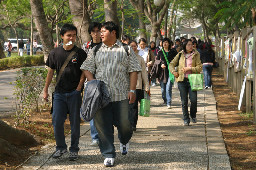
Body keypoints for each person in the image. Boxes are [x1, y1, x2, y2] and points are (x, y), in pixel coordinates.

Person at [80, 21, 141, 167]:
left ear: (113, 32)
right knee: (102, 126)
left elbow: (133, 70)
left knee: (126, 125)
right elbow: (86, 67)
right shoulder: (95, 50)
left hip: (121, 95)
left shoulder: (125, 49)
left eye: (103, 31)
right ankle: (108, 154)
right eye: (99, 31)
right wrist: (94, 83)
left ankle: (124, 140)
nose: (100, 33)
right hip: (101, 98)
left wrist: (132, 90)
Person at [43, 24, 87, 161]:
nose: (71, 38)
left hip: (74, 93)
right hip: (59, 94)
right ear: (62, 36)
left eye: (74, 35)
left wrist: (79, 87)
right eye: (69, 35)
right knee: (57, 121)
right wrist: (45, 90)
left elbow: (84, 72)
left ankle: (74, 149)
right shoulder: (54, 53)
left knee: (74, 123)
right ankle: (60, 148)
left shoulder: (80, 53)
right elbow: (50, 73)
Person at [169, 39, 202, 126]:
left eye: (192, 45)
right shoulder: (180, 54)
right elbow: (171, 64)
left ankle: (193, 115)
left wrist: (189, 68)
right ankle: (186, 119)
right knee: (184, 102)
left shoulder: (196, 54)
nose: (191, 46)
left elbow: (199, 68)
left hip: (193, 80)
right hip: (182, 81)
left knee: (193, 100)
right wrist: (174, 72)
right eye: (189, 45)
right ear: (184, 46)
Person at [83, 22, 102, 147]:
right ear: (90, 33)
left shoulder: (105, 45)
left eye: (98, 31)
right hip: (90, 83)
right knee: (92, 109)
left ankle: (104, 134)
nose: (96, 34)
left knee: (104, 109)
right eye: (93, 31)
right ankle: (95, 137)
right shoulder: (86, 47)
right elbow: (83, 66)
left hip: (104, 81)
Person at [129, 40, 149, 131]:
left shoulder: (140, 59)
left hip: (137, 86)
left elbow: (144, 73)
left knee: (134, 106)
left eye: (134, 46)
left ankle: (133, 124)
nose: (133, 48)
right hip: (126, 86)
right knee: (127, 106)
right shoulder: (125, 58)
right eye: (131, 46)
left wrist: (146, 86)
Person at [156, 38, 177, 108]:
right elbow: (156, 62)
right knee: (163, 89)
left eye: (166, 42)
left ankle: (168, 102)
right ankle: (165, 100)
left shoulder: (173, 52)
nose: (165, 44)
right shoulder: (160, 52)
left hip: (171, 72)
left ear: (169, 43)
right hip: (162, 73)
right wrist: (161, 65)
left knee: (168, 88)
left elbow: (177, 61)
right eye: (163, 42)